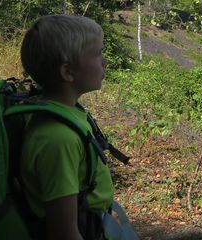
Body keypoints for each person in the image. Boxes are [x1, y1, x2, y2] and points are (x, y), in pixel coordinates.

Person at [19, 14, 134, 240]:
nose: (105, 61)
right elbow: (64, 232)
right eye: (98, 53)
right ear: (67, 72)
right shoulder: (58, 140)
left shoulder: (68, 113)